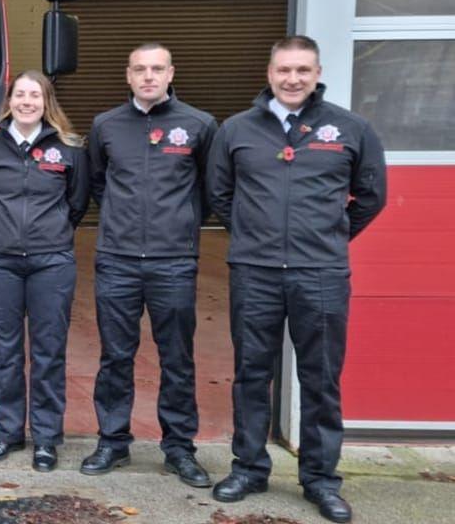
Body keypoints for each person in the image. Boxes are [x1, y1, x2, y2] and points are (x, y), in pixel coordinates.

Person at [207, 36, 386, 524]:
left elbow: (371, 196)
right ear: (269, 73)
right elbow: (219, 193)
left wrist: (329, 236)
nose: (292, 79)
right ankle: (248, 468)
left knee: (321, 379)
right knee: (251, 374)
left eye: (302, 70)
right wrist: (252, 234)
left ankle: (321, 480)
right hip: (255, 273)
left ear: (317, 72)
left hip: (321, 274)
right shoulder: (237, 130)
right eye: (284, 70)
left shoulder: (350, 128)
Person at [81, 44, 216, 487]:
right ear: (128, 75)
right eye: (140, 69)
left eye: (157, 69)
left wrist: (180, 226)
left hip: (173, 261)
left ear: (171, 72)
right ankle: (113, 442)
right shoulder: (105, 126)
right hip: (117, 261)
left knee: (177, 358)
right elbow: (99, 183)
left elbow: (211, 190)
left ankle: (179, 448)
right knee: (115, 356)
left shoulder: (198, 125)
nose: (148, 76)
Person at [0, 70, 88, 472]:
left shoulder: (69, 148)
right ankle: (8, 433)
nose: (27, 102)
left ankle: (47, 439)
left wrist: (48, 233)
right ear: (10, 101)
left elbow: (77, 204)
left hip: (51, 261)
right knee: (4, 351)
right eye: (20, 95)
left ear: (46, 102)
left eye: (35, 95)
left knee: (48, 352)